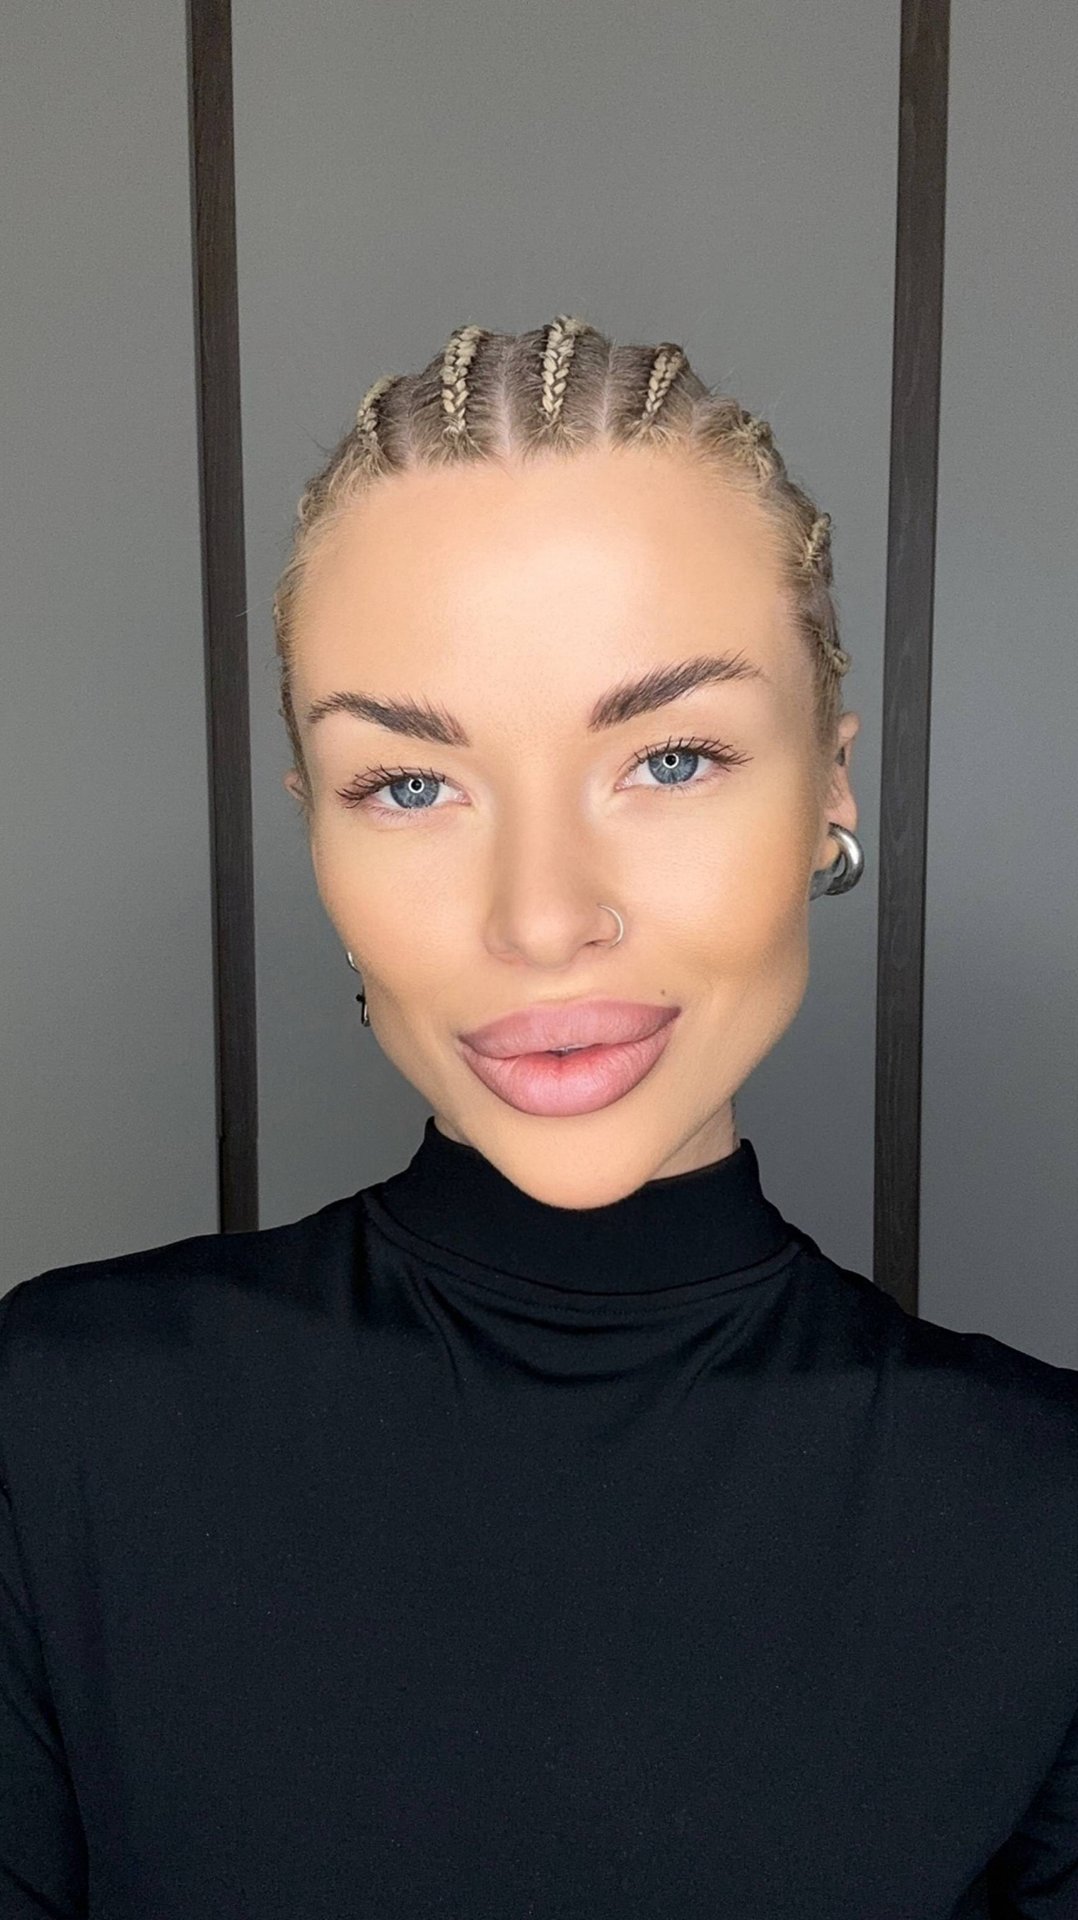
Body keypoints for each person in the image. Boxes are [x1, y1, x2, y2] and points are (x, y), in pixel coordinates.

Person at [2, 315, 1076, 1917]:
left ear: (828, 793)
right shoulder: (57, 1429)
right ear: (316, 837)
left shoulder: (1040, 1516)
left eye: (672, 758)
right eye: (408, 785)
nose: (542, 918)